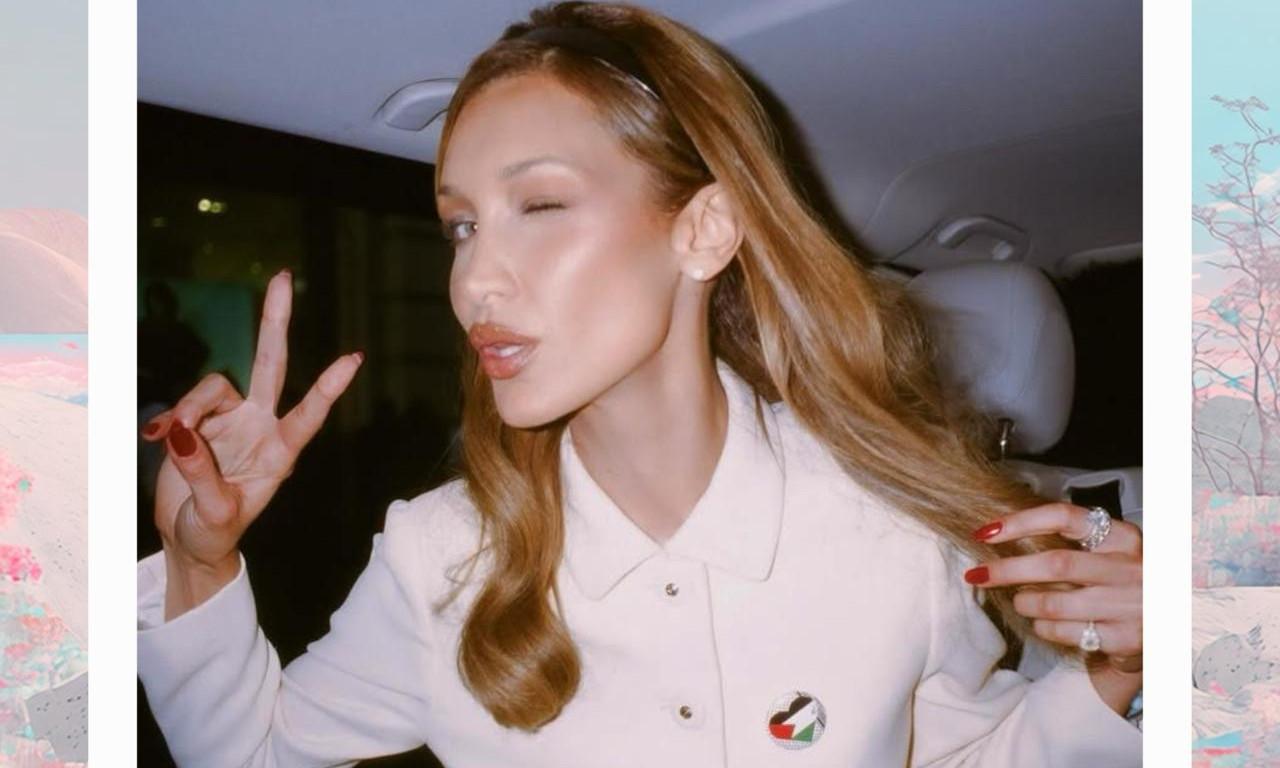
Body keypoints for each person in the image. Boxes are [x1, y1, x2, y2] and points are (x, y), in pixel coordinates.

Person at [136, 3, 1143, 765]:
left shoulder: (892, 529)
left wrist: (1117, 674)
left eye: (539, 205)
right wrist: (197, 564)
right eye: (461, 225)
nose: (473, 278)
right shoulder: (440, 557)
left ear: (702, 230)